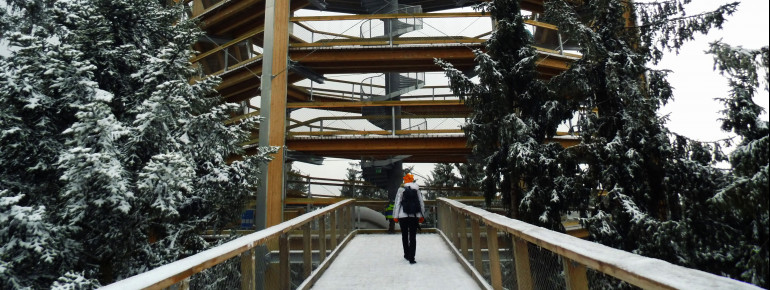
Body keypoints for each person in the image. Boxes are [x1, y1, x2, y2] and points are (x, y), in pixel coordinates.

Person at [392, 173, 425, 264]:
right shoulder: (417, 188)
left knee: (405, 235)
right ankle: (412, 258)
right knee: (413, 236)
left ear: (405, 180)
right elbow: (421, 203)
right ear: (412, 180)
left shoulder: (401, 189)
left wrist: (395, 216)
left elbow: (397, 203)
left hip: (403, 215)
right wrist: (422, 215)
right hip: (414, 216)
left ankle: (406, 254)